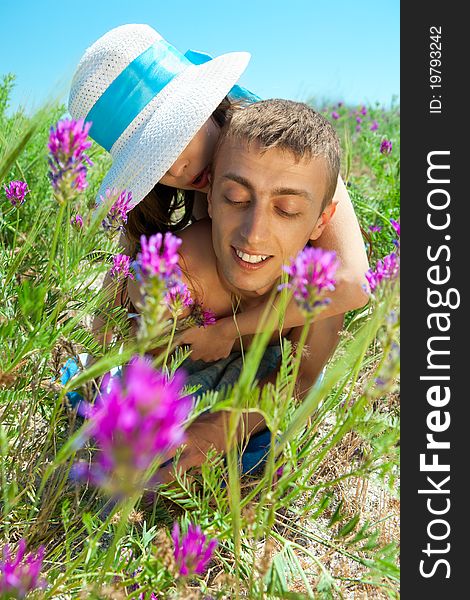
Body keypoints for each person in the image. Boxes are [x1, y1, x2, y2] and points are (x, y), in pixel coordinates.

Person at [68, 23, 368, 380]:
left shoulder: (286, 150)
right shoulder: (170, 182)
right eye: (153, 161)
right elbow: (122, 265)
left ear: (205, 106)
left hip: (290, 314)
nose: (177, 168)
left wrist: (228, 332)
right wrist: (97, 358)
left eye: (175, 138)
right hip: (224, 313)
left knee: (326, 296)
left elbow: (352, 281)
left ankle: (273, 403)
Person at [128, 99, 353, 479]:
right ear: (211, 196)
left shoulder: (319, 289)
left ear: (321, 220)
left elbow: (301, 376)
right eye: (236, 198)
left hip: (260, 395)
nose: (254, 233)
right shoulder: (180, 271)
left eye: (287, 209)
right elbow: (143, 366)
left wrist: (223, 427)